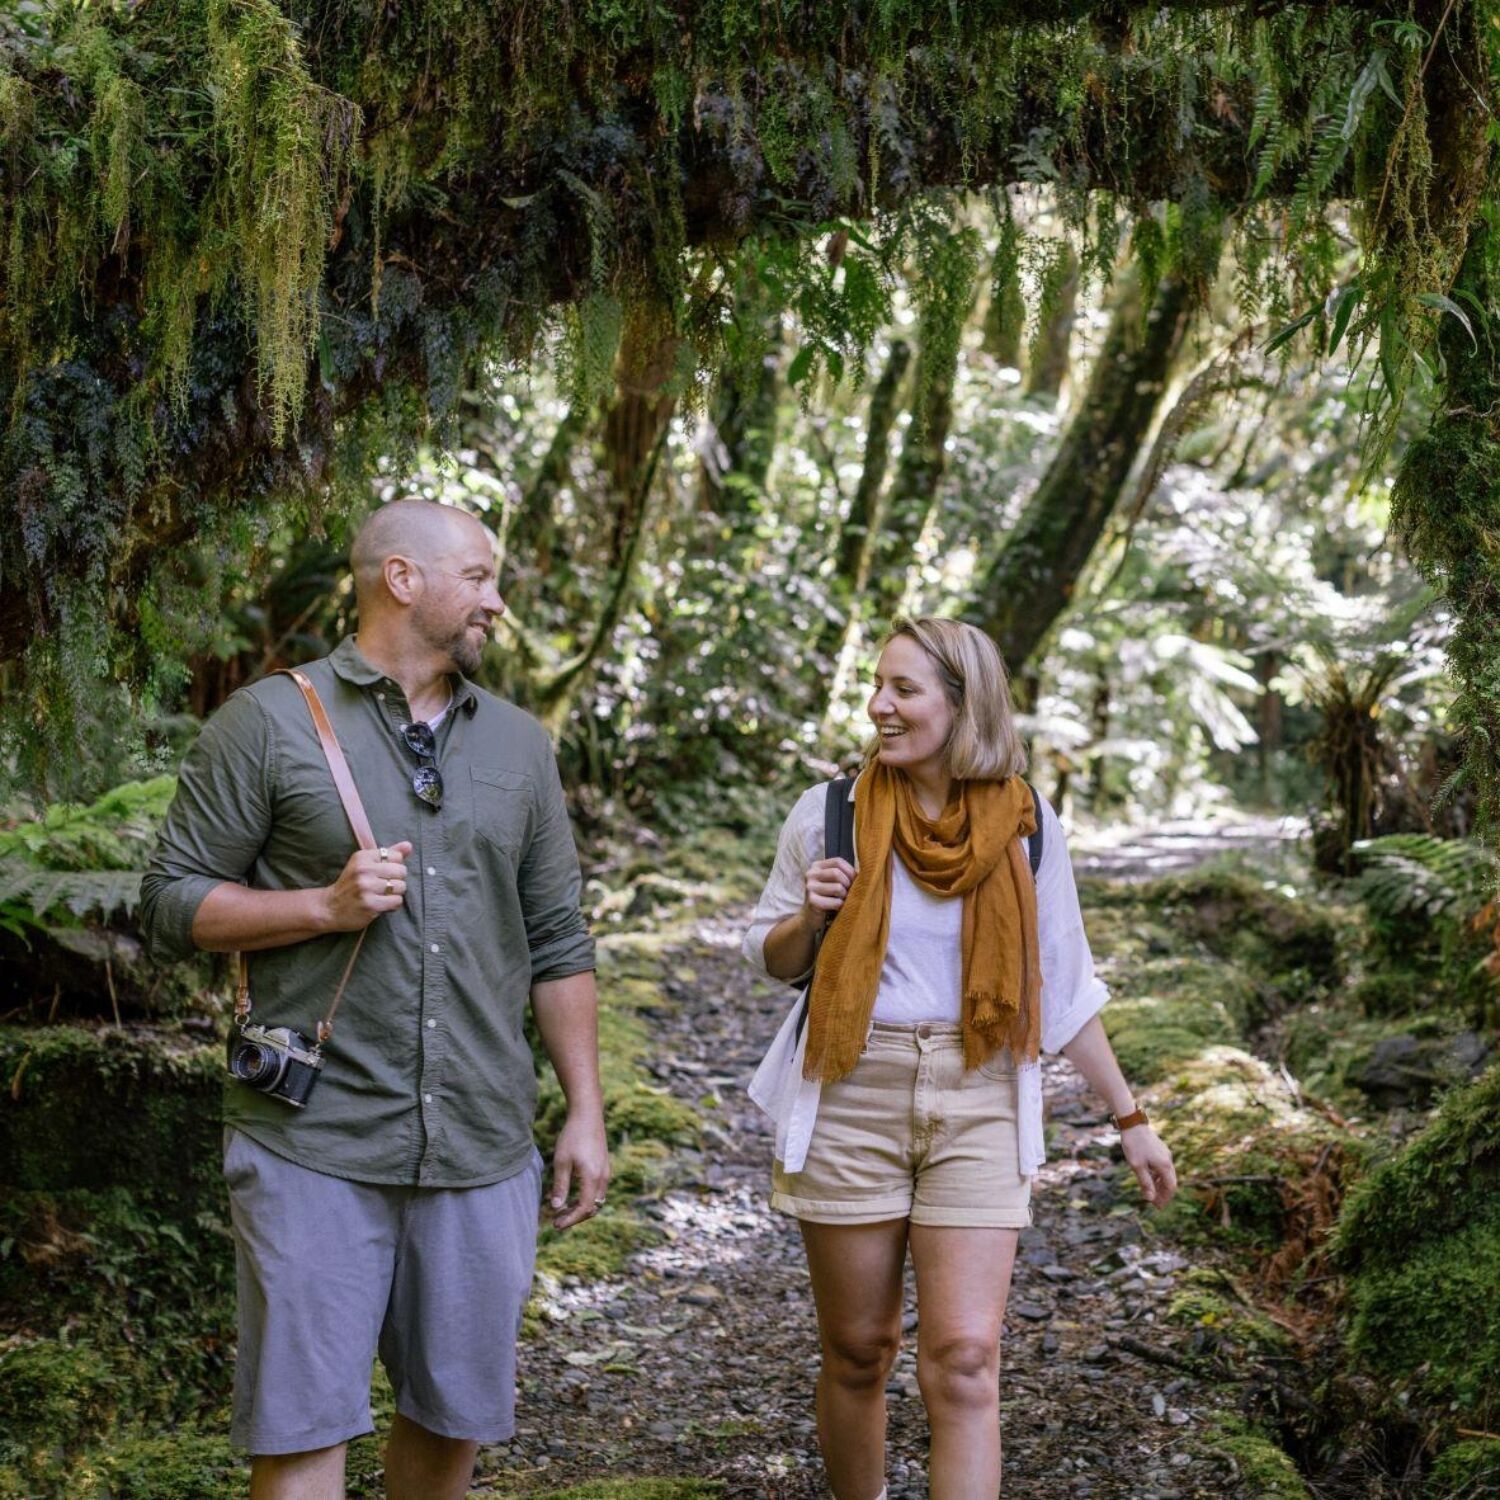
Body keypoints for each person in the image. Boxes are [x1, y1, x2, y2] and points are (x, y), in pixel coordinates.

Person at [140, 499, 609, 1500]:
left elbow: (560, 941)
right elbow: (170, 900)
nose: (496, 599)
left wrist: (586, 1112)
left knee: (450, 1427)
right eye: (479, 577)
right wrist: (321, 903)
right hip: (312, 1137)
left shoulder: (522, 747)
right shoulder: (266, 723)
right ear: (402, 579)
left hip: (483, 1139)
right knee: (305, 1431)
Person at [744, 617, 1177, 1500]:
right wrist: (813, 917)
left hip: (981, 1090)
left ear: (962, 701)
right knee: (859, 1351)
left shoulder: (1026, 824)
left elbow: (1064, 987)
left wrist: (1131, 1120)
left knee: (969, 1359)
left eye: (903, 690)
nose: (878, 706)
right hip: (851, 1087)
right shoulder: (829, 813)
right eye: (878, 686)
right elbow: (773, 958)